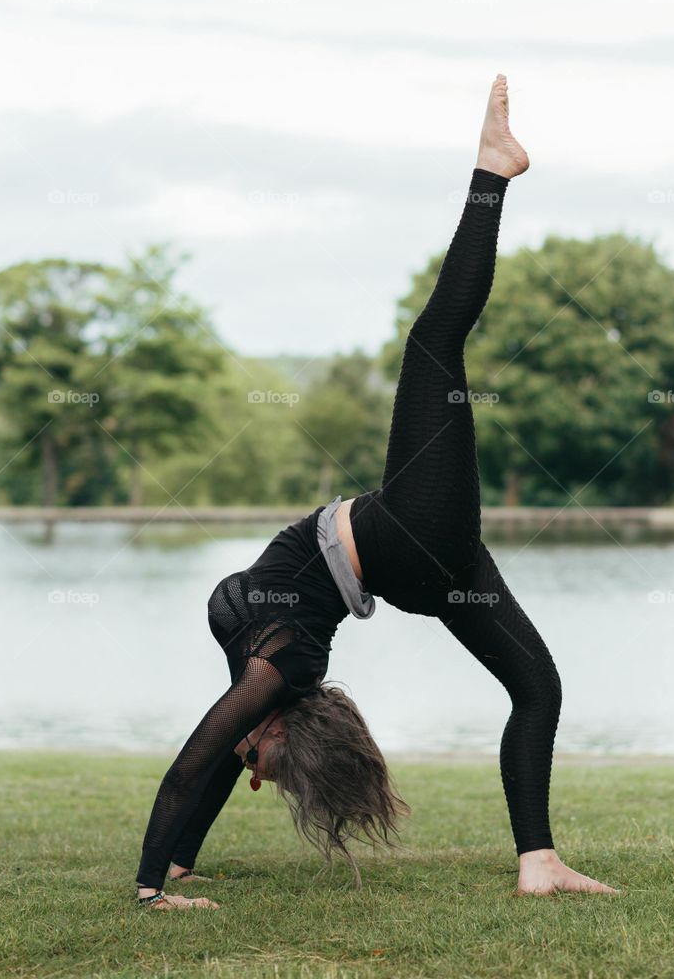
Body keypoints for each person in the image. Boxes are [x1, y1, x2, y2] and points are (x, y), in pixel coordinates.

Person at [135, 75, 617, 909]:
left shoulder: (250, 650)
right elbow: (200, 756)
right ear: (283, 721)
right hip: (411, 541)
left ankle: (539, 862)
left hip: (425, 564)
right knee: (433, 345)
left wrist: (172, 865)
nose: (252, 766)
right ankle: (491, 173)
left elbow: (210, 753)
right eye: (266, 763)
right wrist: (149, 891)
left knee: (538, 685)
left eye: (254, 760)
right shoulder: (276, 668)